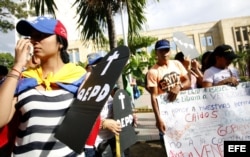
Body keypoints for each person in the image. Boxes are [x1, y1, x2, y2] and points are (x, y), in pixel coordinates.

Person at [0, 16, 87, 156]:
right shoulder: (23, 79)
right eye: (32, 36)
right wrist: (17, 65)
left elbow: (88, 121)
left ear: (61, 43)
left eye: (41, 35)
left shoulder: (80, 77)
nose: (34, 41)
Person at [146, 39, 191, 150]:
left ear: (170, 51)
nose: (165, 53)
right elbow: (154, 96)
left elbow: (188, 81)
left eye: (167, 50)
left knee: (187, 141)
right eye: (161, 50)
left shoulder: (177, 64)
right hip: (166, 114)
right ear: (156, 52)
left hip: (182, 110)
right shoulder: (153, 72)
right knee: (169, 146)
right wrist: (158, 119)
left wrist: (178, 86)